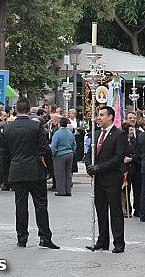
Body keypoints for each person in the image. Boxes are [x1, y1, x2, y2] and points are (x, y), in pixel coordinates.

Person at [2, 97, 58, 249]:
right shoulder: (36, 126)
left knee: (20, 205)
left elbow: (5, 153)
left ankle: (22, 238)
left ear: (16, 110)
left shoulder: (8, 128)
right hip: (34, 169)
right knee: (40, 204)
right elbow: (45, 149)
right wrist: (50, 171)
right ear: (29, 110)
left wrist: (7, 173)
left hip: (17, 169)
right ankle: (45, 237)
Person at [85, 106, 127, 253]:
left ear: (110, 117)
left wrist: (100, 167)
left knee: (115, 211)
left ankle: (119, 242)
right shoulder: (96, 134)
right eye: (98, 115)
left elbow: (118, 157)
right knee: (100, 211)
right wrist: (89, 166)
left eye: (102, 115)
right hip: (98, 180)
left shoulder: (119, 134)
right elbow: (89, 153)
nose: (99, 117)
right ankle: (102, 240)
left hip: (112, 179)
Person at [50, 117, 76, 197]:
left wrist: (53, 154)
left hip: (60, 154)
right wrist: (72, 151)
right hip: (70, 154)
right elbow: (74, 144)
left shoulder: (57, 133)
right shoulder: (70, 133)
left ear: (59, 124)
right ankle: (68, 190)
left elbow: (53, 146)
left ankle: (61, 191)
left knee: (59, 173)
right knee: (68, 173)